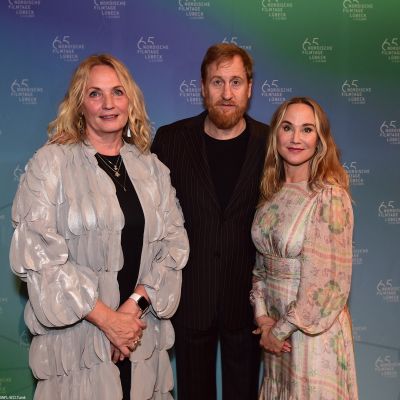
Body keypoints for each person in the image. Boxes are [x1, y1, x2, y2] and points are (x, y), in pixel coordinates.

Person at [9, 54, 189, 400]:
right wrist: (108, 321)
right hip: (78, 341)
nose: (108, 104)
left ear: (130, 101)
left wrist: (131, 309)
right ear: (79, 104)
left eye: (117, 92)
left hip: (139, 334)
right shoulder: (50, 164)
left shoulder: (151, 168)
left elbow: (174, 245)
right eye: (95, 94)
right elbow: (39, 257)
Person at [151, 43, 268, 400]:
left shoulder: (272, 143)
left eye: (236, 82)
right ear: (202, 88)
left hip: (249, 304)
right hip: (190, 298)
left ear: (250, 88)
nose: (227, 93)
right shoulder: (171, 140)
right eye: (218, 82)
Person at [250, 96, 358, 399]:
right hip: (275, 335)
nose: (296, 138)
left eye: (307, 130)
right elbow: (261, 268)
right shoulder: (271, 193)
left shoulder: (329, 198)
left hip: (312, 337)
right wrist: (263, 319)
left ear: (320, 140)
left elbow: (327, 285)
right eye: (288, 127)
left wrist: (279, 330)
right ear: (276, 135)